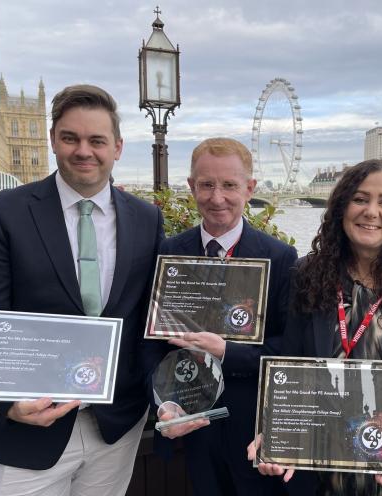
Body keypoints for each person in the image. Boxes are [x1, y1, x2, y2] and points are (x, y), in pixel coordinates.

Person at [0, 84, 164, 495]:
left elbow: (150, 317)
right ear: (53, 140)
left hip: (116, 426)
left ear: (117, 147)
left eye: (97, 140)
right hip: (31, 426)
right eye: (71, 138)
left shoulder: (146, 219)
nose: (83, 150)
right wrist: (7, 402)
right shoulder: (5, 213)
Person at [248, 159, 382, 495]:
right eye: (360, 199)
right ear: (341, 207)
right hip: (323, 472)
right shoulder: (306, 274)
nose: (371, 211)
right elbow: (292, 368)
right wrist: (280, 432)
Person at [143, 137, 298, 495]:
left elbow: (290, 350)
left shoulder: (279, 256)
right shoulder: (170, 252)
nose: (217, 197)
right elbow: (150, 343)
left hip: (255, 431)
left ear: (250, 188)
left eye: (229, 185)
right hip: (191, 431)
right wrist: (163, 405)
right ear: (191, 187)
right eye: (206, 184)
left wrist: (227, 351)